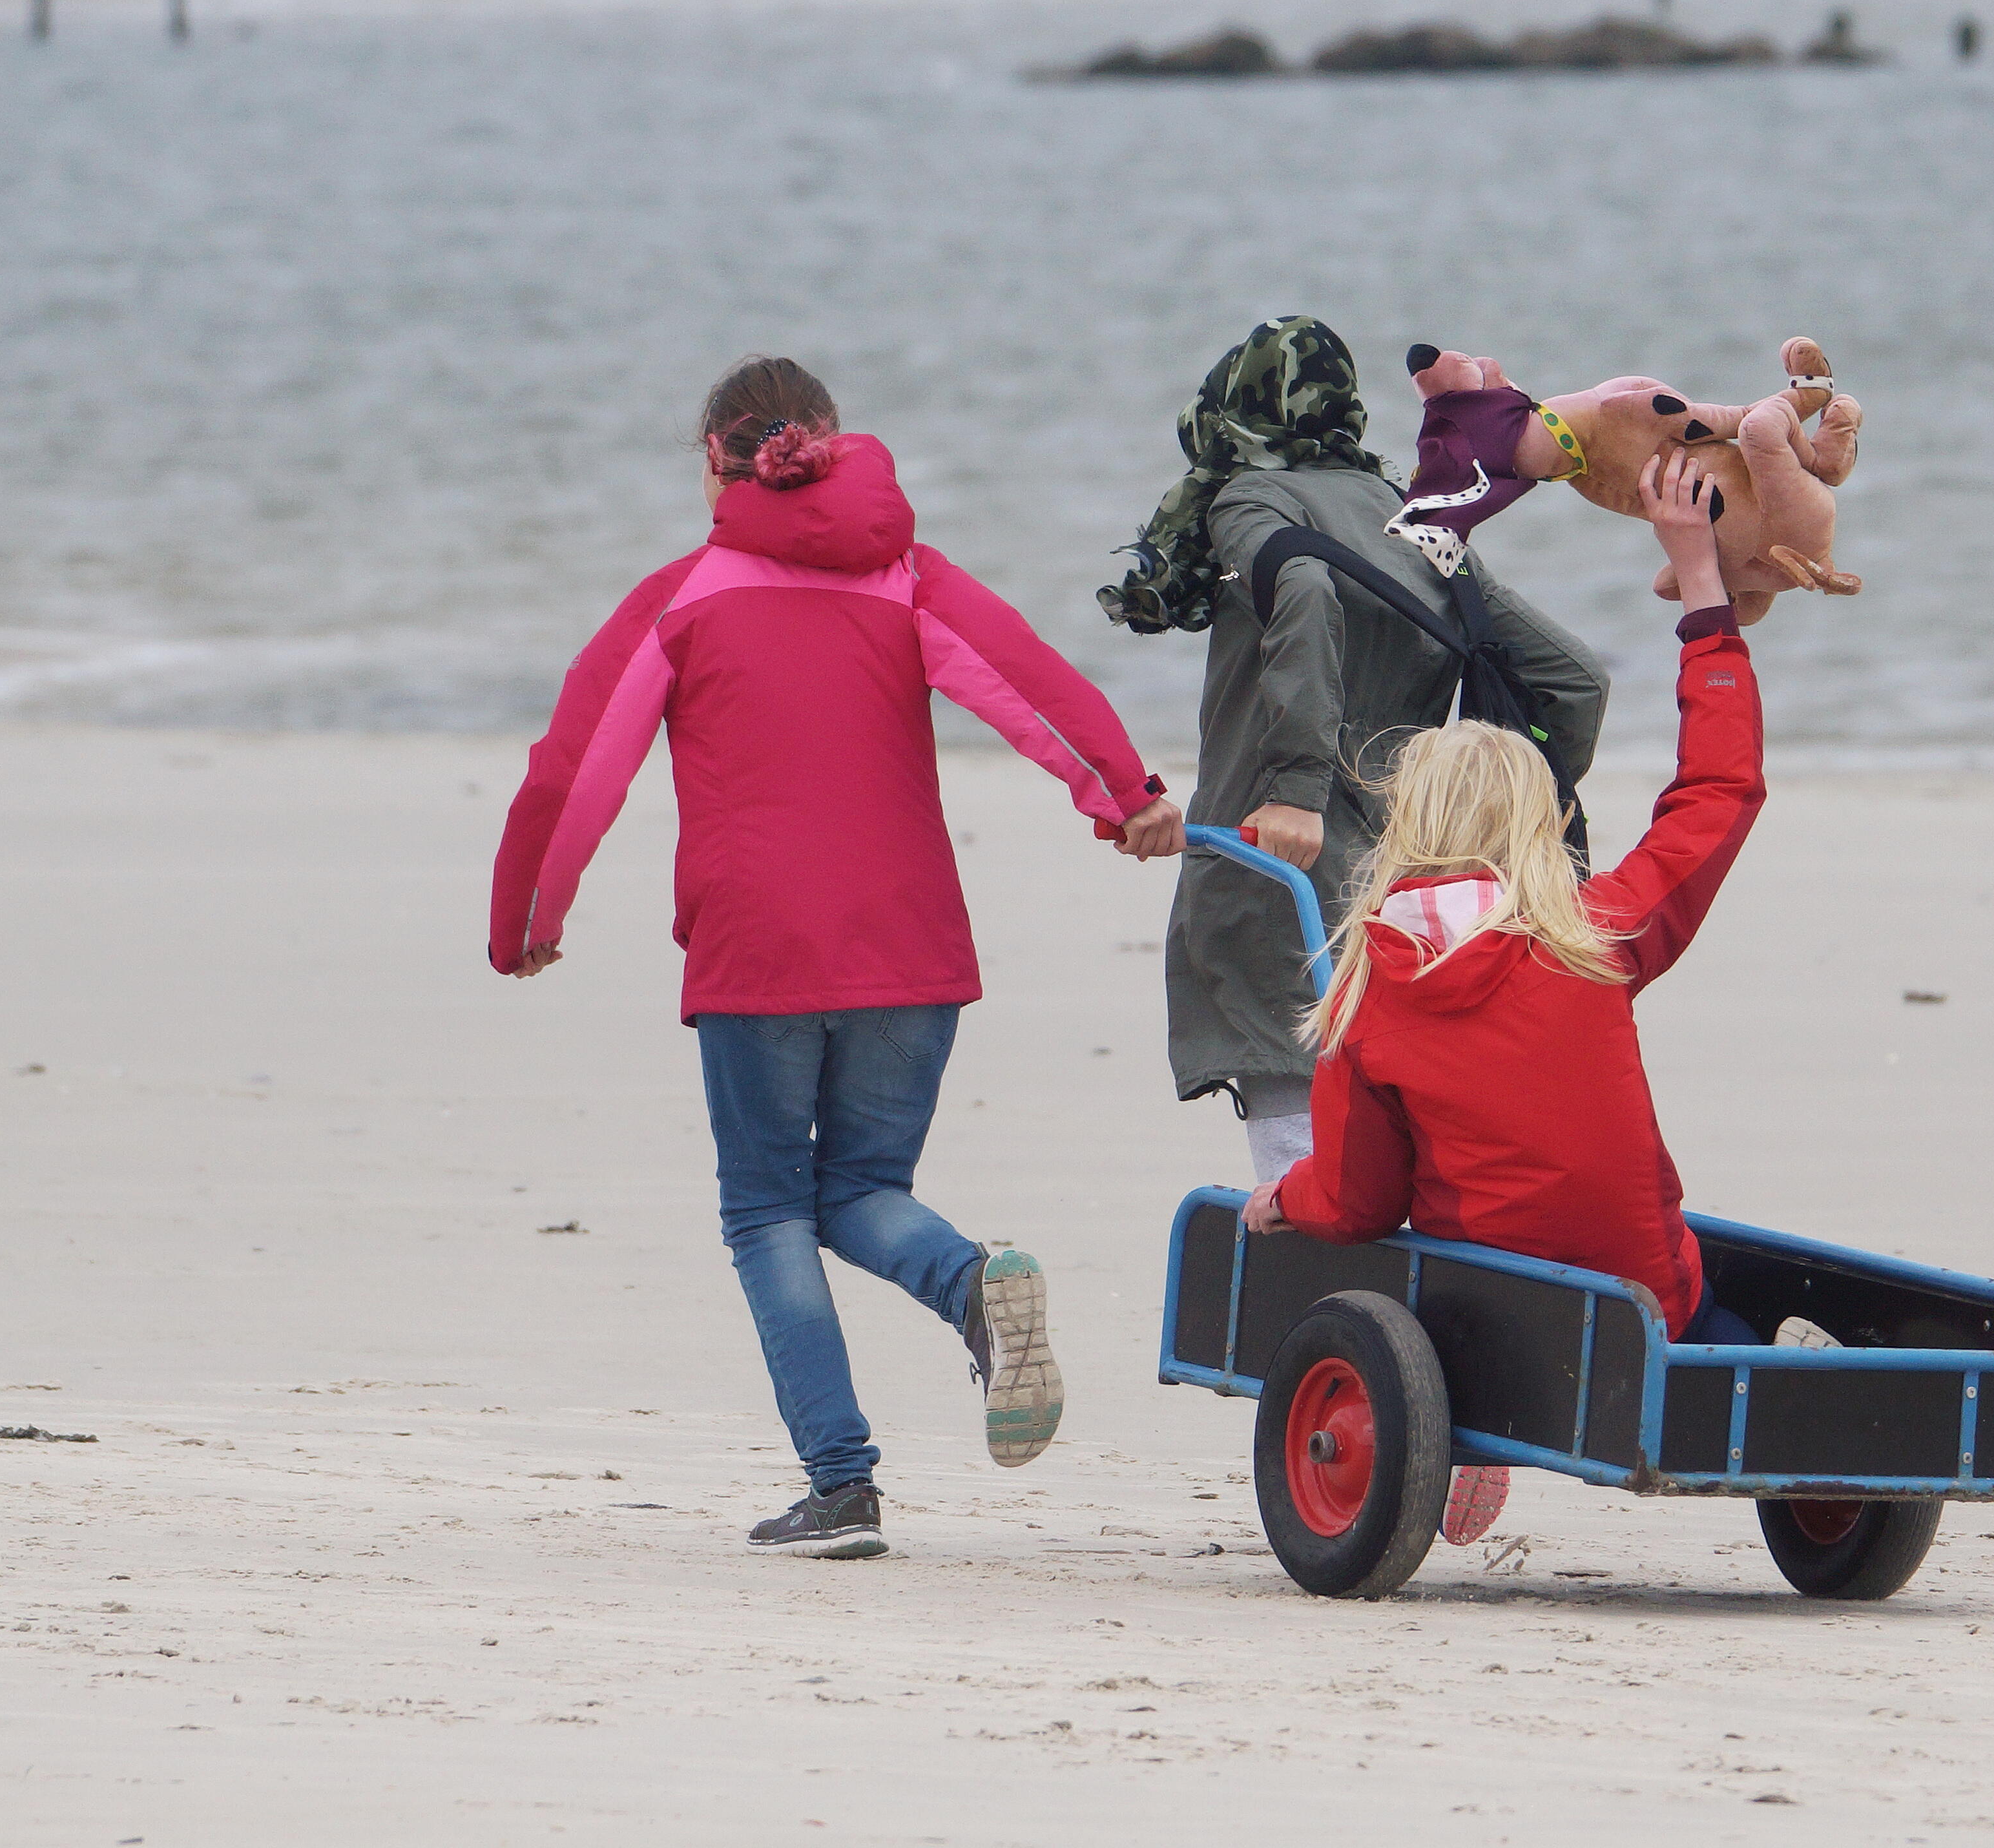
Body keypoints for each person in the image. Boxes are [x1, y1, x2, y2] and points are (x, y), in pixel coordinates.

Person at [491, 355, 1183, 1561]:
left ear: (715, 460)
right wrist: (1120, 796)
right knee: (858, 1190)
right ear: (832, 443)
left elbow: (575, 769)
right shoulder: (907, 577)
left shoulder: (680, 595)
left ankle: (842, 1484)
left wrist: (530, 923)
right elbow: (1032, 681)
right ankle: (967, 1285)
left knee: (767, 1209)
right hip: (910, 946)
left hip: (758, 953)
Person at [1243, 446, 1767, 1342]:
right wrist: (1702, 598)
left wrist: (1281, 1200)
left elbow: (1354, 1204)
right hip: (1647, 1306)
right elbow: (1718, 792)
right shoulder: (1589, 936)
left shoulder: (1366, 990)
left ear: (1404, 823)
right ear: (1539, 821)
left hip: (1487, 1320)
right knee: (1723, 1327)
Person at [1097, 315, 1605, 1182]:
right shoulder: (1403, 515)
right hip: (1412, 887)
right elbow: (1572, 680)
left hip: (1275, 869)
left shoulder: (1247, 498)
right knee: (1401, 1145)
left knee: (1302, 1146)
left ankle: (1326, 1308)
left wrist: (1296, 788)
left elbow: (1301, 585)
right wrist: (1506, 822)